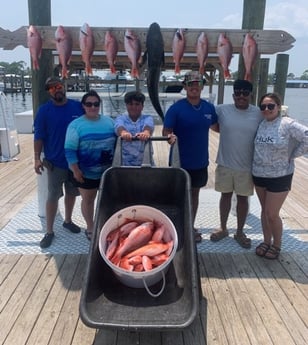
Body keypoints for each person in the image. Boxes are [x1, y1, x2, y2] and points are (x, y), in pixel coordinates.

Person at [162, 71, 218, 243]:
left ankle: (189, 226)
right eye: (191, 84)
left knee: (194, 195)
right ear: (185, 87)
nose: (194, 87)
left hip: (200, 161)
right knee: (178, 196)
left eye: (198, 83)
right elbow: (166, 132)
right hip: (180, 161)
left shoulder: (209, 108)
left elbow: (218, 127)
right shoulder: (176, 108)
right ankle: (177, 226)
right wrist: (170, 138)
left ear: (202, 86)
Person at [252, 92, 308, 259]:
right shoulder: (261, 124)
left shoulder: (288, 123)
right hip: (259, 174)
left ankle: (277, 244)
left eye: (271, 106)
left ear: (278, 106)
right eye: (263, 106)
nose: (267, 109)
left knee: (272, 213)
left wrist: (293, 154)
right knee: (264, 211)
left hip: (280, 176)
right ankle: (266, 241)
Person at [210, 79, 263, 248]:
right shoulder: (222, 109)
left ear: (251, 95)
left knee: (243, 199)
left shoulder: (259, 113)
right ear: (233, 95)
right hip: (225, 163)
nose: (241, 96)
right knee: (224, 196)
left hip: (247, 166)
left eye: (245, 93)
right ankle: (223, 228)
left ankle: (239, 231)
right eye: (238, 93)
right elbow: (210, 121)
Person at [34, 77, 84, 248]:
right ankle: (49, 231)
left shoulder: (77, 106)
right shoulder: (43, 111)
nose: (56, 90)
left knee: (72, 193)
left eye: (58, 86)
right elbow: (38, 136)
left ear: (63, 87)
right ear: (49, 92)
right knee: (52, 196)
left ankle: (68, 221)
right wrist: (36, 159)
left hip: (75, 162)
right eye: (51, 88)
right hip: (54, 162)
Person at [65, 90, 116, 240]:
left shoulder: (110, 122)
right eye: (89, 104)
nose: (93, 107)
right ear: (83, 106)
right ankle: (90, 227)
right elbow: (69, 150)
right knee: (88, 201)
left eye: (96, 104)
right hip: (85, 173)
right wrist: (75, 170)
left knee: (108, 200)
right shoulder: (75, 125)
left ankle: (107, 226)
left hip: (108, 172)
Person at [114, 91, 155, 166]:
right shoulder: (120, 118)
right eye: (130, 104)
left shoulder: (148, 118)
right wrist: (123, 133)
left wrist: (146, 133)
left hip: (146, 164)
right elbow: (119, 127)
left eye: (137, 104)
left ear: (142, 106)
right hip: (125, 165)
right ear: (126, 105)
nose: (134, 107)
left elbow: (148, 126)